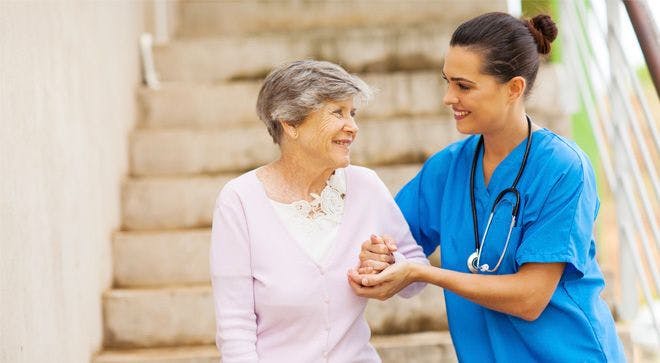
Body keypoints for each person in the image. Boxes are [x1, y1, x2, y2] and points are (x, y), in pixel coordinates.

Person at [348, 12, 626, 362]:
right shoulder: (446, 169)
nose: (448, 98)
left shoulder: (563, 168)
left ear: (514, 88)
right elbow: (391, 239)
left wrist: (423, 272)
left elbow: (529, 298)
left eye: (463, 86)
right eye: (446, 82)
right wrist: (378, 256)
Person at [210, 60, 428, 362]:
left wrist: (389, 264)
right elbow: (235, 328)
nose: (352, 126)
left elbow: (416, 277)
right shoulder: (240, 201)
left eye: (352, 113)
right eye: (337, 112)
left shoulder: (365, 185)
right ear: (290, 123)